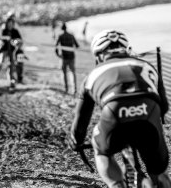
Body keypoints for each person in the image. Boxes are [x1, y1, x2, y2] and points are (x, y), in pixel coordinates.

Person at [68, 29, 171, 188]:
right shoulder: (147, 66)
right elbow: (163, 107)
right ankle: (160, 181)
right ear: (126, 49)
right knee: (159, 171)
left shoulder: (93, 75)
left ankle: (116, 184)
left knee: (100, 147)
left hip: (114, 118)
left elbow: (81, 120)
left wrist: (76, 141)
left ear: (99, 55)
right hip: (148, 118)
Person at [0, 16, 22, 87]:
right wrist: (7, 39)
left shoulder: (15, 31)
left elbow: (19, 39)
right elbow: (1, 38)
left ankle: (10, 78)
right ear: (7, 24)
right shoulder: (4, 30)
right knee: (1, 61)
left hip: (12, 50)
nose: (10, 25)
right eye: (9, 23)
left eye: (11, 23)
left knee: (11, 64)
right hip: (4, 49)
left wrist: (16, 41)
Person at [55, 22, 79, 94]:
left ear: (62, 29)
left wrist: (58, 55)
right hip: (71, 56)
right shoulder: (71, 36)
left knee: (64, 73)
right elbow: (77, 45)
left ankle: (66, 89)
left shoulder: (60, 36)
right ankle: (75, 89)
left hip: (64, 57)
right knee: (73, 73)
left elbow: (56, 47)